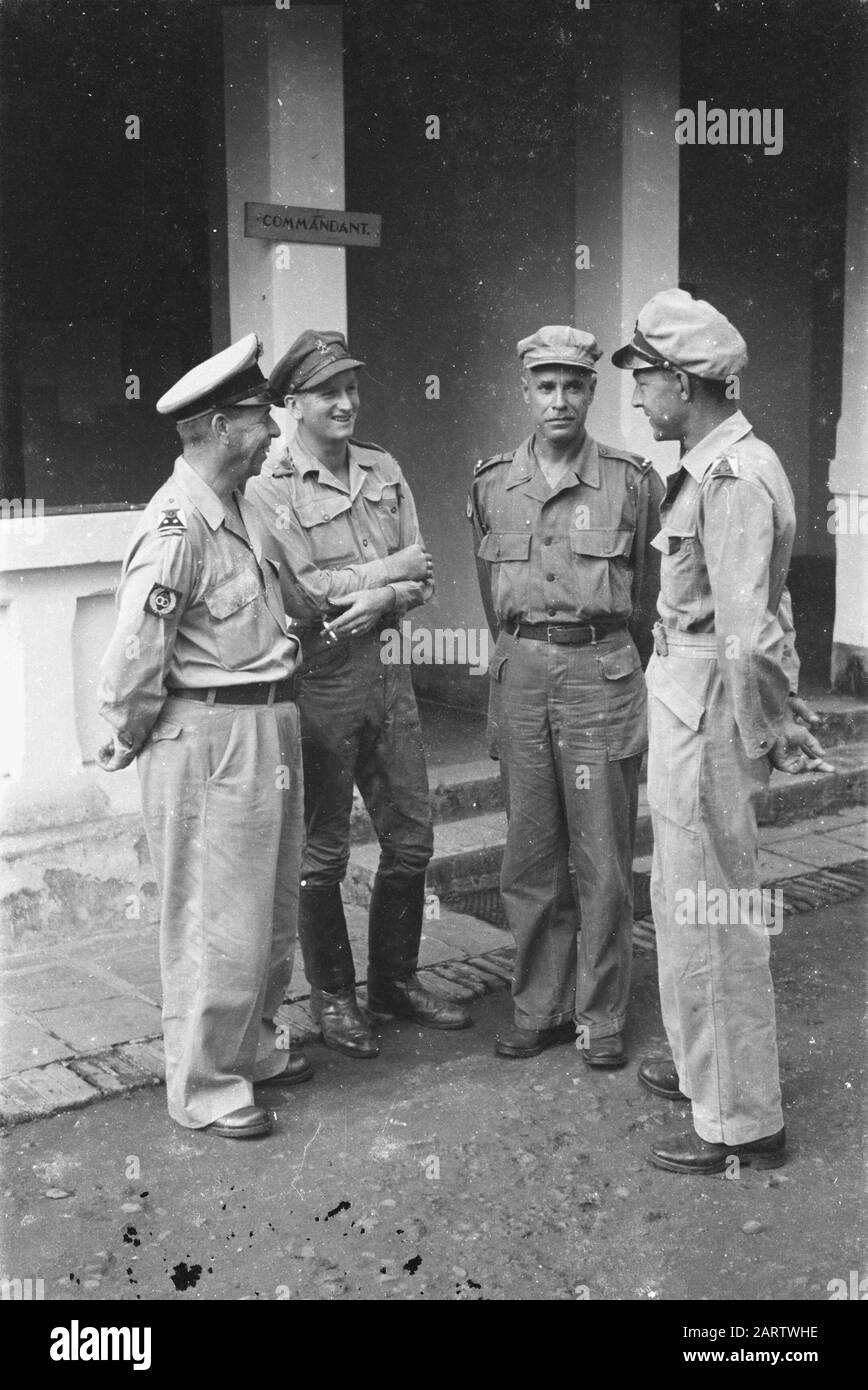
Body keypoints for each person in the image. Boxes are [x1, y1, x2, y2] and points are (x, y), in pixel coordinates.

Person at [612, 288, 832, 1174]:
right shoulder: (711, 467)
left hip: (708, 713)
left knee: (714, 915)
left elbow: (747, 632)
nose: (635, 398)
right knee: (681, 902)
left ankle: (740, 1119)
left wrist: (773, 729)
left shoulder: (733, 479)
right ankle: (709, 1070)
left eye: (643, 380)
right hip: (687, 702)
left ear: (683, 381)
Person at [97, 334, 314, 1141]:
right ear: (224, 428)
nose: (275, 435)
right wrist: (129, 735)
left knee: (267, 909)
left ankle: (252, 1049)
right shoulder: (175, 528)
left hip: (267, 721)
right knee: (211, 918)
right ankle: (206, 1084)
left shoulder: (244, 507)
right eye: (262, 419)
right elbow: (131, 664)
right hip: (208, 733)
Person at [246, 330, 471, 1059]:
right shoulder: (268, 486)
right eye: (326, 393)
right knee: (324, 853)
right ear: (292, 405)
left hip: (390, 675)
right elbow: (307, 593)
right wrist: (392, 574)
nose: (345, 403)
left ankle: (397, 984)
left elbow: (425, 573)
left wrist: (386, 594)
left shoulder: (383, 468)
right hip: (322, 682)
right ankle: (336, 1002)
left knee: (411, 840)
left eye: (350, 388)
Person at [468, 325, 663, 1066]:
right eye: (545, 386)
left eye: (574, 385)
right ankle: (538, 1005)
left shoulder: (631, 481)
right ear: (525, 392)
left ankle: (602, 1012)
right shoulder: (492, 484)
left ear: (591, 392)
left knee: (603, 855)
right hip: (522, 675)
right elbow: (495, 601)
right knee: (530, 852)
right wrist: (526, 653)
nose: (559, 400)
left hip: (600, 673)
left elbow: (644, 601)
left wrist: (605, 659)